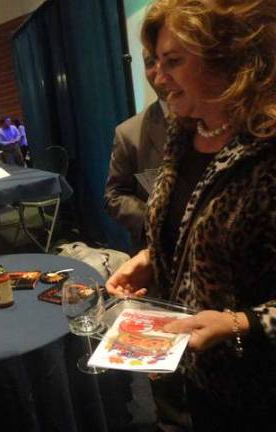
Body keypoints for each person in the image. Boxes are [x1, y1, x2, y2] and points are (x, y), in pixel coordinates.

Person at [106, 1, 276, 430]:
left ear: (229, 58)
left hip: (262, 389)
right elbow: (191, 227)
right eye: (156, 63)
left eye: (173, 62)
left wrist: (241, 322)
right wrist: (154, 256)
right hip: (195, 379)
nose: (159, 79)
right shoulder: (185, 133)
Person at [104, 49, 169, 254]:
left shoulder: (220, 119)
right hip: (154, 255)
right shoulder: (129, 133)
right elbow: (114, 195)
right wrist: (154, 221)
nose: (158, 70)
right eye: (150, 62)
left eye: (172, 60)